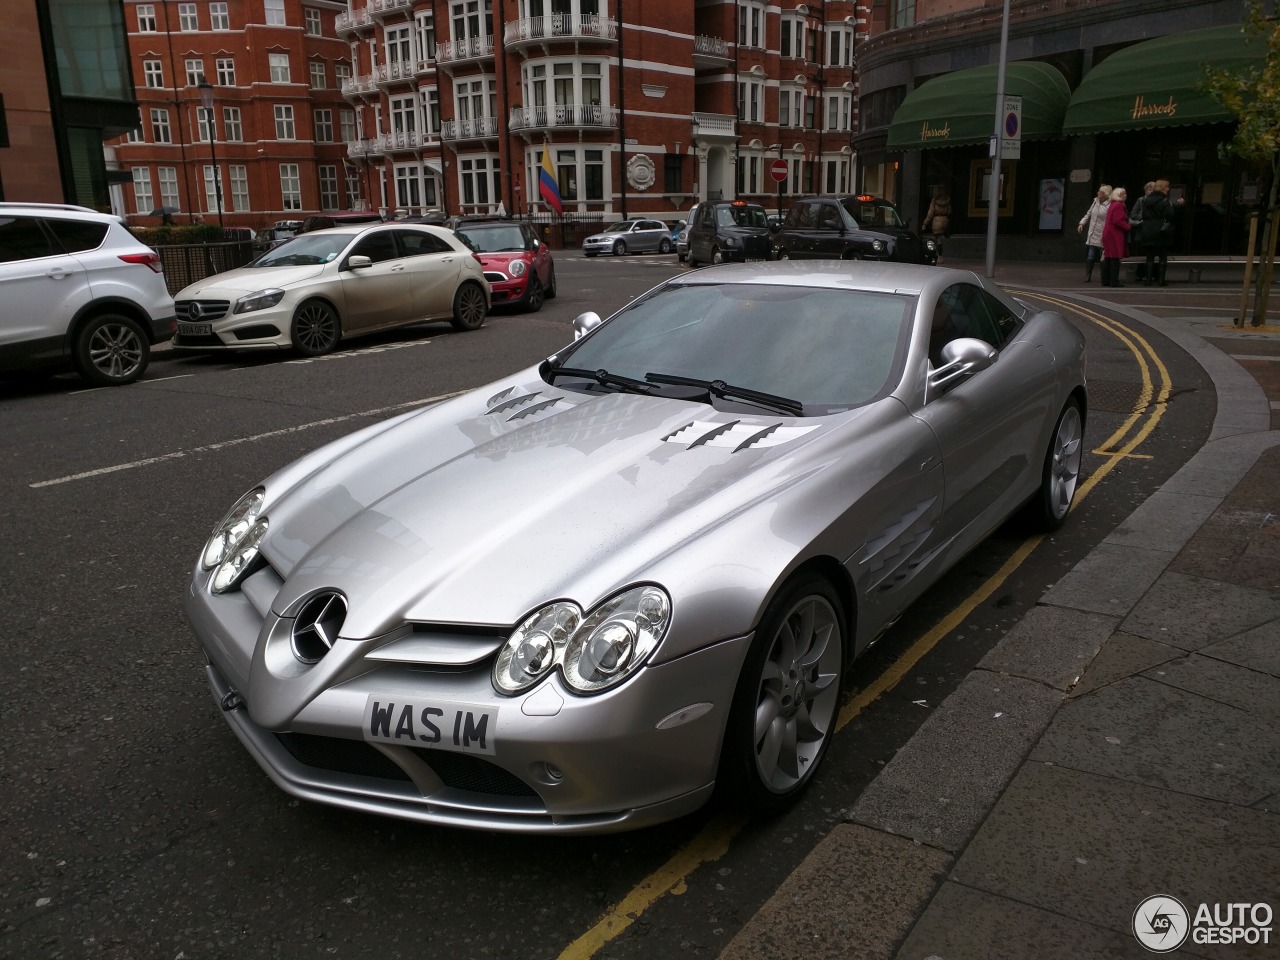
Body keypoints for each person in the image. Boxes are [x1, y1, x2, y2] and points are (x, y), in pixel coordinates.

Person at [1136, 179, 1180, 286]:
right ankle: (1161, 280)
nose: (1168, 189)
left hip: (1149, 229)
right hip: (1161, 230)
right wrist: (1176, 206)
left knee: (1149, 257)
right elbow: (1170, 215)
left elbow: (1143, 215)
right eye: (1167, 187)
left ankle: (1148, 280)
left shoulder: (1146, 200)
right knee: (1162, 256)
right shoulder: (1164, 200)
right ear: (1163, 188)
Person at [1076, 184, 1111, 283]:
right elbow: (1088, 214)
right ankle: (1088, 275)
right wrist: (1082, 223)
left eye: (1100, 192)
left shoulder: (1109, 205)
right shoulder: (1095, 202)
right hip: (1093, 232)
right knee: (1090, 255)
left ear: (1105, 194)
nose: (1098, 193)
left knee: (1102, 256)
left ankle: (1103, 276)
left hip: (1102, 232)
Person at [1100, 186, 1130, 287]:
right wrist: (1128, 227)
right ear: (1118, 195)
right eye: (1123, 194)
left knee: (1108, 257)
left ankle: (1106, 280)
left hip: (1108, 233)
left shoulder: (1113, 204)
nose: (1126, 195)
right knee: (1115, 257)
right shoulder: (1119, 205)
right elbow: (1118, 220)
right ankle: (1114, 280)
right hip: (1114, 234)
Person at [923, 186, 951, 263]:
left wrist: (925, 223)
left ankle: (939, 257)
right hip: (944, 220)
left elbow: (930, 214)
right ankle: (940, 256)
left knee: (937, 239)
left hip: (937, 221)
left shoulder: (934, 201)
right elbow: (949, 211)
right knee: (940, 239)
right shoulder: (947, 201)